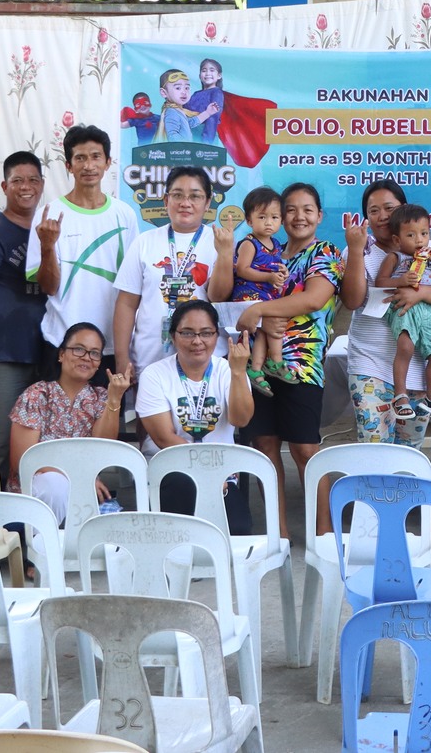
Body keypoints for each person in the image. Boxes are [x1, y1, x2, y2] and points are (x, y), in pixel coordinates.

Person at [231, 181, 344, 538]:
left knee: (306, 450)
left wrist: (258, 310)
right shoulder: (270, 254)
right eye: (290, 210)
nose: (298, 216)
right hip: (258, 364)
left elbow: (312, 300)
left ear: (320, 215)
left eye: (307, 209)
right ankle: (278, 535)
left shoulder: (325, 252)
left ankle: (324, 536)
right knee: (264, 447)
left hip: (301, 364)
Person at [337, 180, 431, 447]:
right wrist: (357, 251)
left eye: (389, 207)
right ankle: (372, 491)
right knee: (375, 445)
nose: (382, 216)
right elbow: (352, 300)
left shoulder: (430, 249)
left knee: (409, 450)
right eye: (373, 211)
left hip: (416, 368)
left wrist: (418, 293)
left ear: (403, 209)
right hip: (369, 364)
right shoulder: (359, 249)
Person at [135, 299, 258, 532]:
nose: (197, 341)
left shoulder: (227, 370)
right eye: (187, 333)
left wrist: (240, 372)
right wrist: (206, 474)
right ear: (173, 336)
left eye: (206, 333)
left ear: (216, 336)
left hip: (222, 476)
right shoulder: (155, 375)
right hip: (172, 471)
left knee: (239, 529)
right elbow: (163, 439)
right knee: (183, 531)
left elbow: (241, 420)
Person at [111, 164, 235, 381]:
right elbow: (126, 304)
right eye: (177, 195)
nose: (185, 203)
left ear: (207, 202)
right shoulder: (144, 243)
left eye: (195, 196)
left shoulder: (219, 241)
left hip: (204, 360)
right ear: (166, 201)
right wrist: (122, 358)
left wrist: (225, 254)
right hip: (150, 359)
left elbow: (218, 298)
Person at [32, 125, 134, 381]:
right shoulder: (49, 214)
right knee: (56, 421)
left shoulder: (124, 214)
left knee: (109, 421)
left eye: (96, 156)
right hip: (61, 343)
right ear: (69, 166)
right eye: (80, 158)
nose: (88, 165)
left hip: (111, 346)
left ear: (108, 162)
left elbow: (133, 287)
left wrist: (125, 350)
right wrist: (47, 246)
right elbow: (47, 286)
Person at [0, 152, 51, 466]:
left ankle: (34, 509)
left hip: (46, 349)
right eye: (17, 180)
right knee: (0, 442)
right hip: (3, 351)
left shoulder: (50, 229)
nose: (25, 187)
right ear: (4, 186)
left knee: (40, 441)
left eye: (32, 180)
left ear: (43, 185)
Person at [8, 320, 129, 525]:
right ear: (61, 354)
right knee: (55, 486)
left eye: (94, 353)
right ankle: (47, 554)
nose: (86, 358)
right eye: (78, 350)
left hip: (82, 488)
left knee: (115, 523)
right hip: (37, 487)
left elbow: (103, 450)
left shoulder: (100, 397)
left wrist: (114, 399)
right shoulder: (37, 395)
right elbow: (22, 462)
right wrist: (75, 477)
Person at [374, 205, 431, 423]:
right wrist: (401, 280)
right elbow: (380, 282)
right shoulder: (395, 257)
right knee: (406, 346)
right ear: (397, 240)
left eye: (424, 234)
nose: (419, 240)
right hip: (404, 308)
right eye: (411, 235)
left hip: (428, 311)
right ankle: (400, 395)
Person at [228, 186, 289, 394]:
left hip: (267, 295)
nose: (269, 222)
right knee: (268, 325)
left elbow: (275, 266)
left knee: (267, 329)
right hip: (249, 294)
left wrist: (282, 272)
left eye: (274, 217)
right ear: (249, 220)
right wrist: (269, 277)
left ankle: (258, 368)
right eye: (262, 217)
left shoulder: (277, 244)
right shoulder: (249, 243)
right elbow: (242, 270)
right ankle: (275, 361)